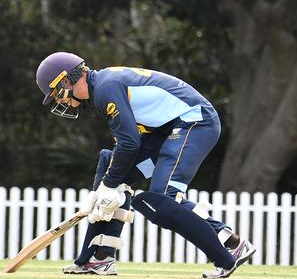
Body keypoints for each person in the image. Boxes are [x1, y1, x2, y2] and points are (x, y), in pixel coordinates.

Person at [35, 52, 255, 278]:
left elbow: (129, 143)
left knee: (163, 200)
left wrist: (108, 185)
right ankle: (99, 259)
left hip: (195, 123)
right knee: (112, 168)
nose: (59, 100)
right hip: (166, 130)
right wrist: (108, 185)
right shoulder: (100, 88)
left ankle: (230, 247)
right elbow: (129, 144)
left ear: (65, 80)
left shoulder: (105, 88)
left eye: (55, 93)